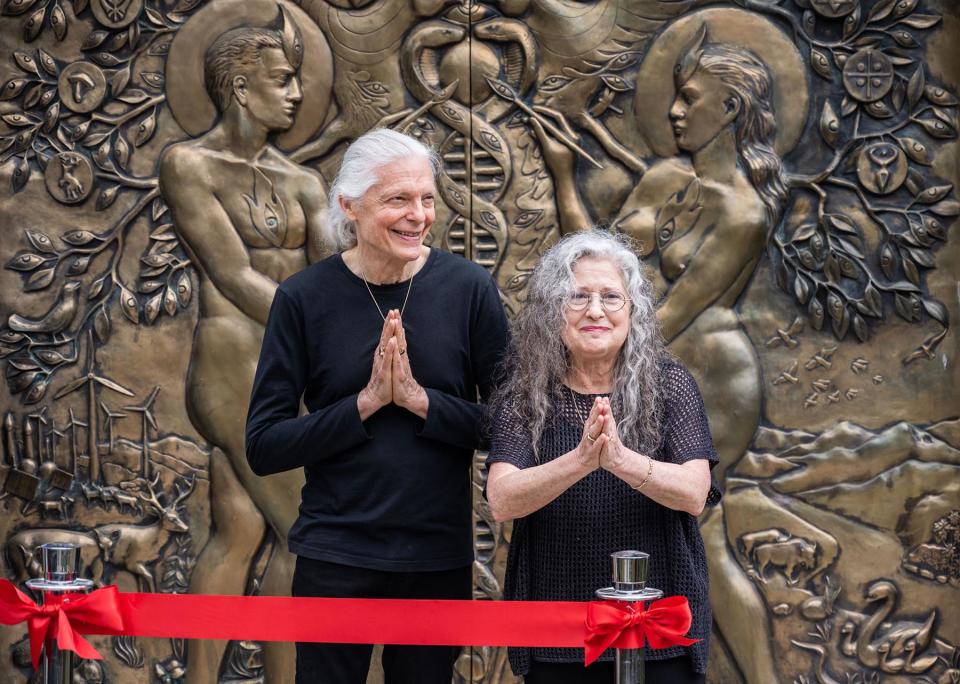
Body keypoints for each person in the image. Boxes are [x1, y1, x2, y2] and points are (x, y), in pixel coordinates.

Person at [533, 29, 791, 682]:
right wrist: (565, 174)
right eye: (674, 97)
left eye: (690, 98)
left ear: (729, 109)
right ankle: (630, 657)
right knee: (660, 518)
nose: (675, 111)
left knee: (697, 527)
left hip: (710, 376)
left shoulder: (745, 214)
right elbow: (590, 266)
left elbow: (664, 318)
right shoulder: (665, 176)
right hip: (644, 370)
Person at [245, 128, 510, 683]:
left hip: (436, 557)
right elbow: (264, 445)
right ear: (350, 206)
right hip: (335, 555)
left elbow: (512, 425)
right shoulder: (303, 298)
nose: (419, 215)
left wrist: (419, 401)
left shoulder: (468, 289)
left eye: (427, 199)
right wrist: (363, 405)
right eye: (398, 200)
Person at [158, 19, 329, 683]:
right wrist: (322, 334)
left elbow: (330, 275)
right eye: (282, 80)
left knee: (239, 532)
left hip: (289, 370)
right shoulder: (188, 164)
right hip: (236, 364)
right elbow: (230, 273)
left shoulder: (304, 181)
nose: (296, 93)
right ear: (239, 85)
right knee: (306, 531)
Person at [486, 230, 720, 684]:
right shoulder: (525, 395)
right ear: (554, 312)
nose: (595, 310)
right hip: (556, 637)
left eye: (611, 297)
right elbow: (501, 499)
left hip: (657, 634)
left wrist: (618, 460)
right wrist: (580, 459)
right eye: (578, 297)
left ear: (633, 311)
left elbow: (695, 493)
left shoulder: (669, 387)